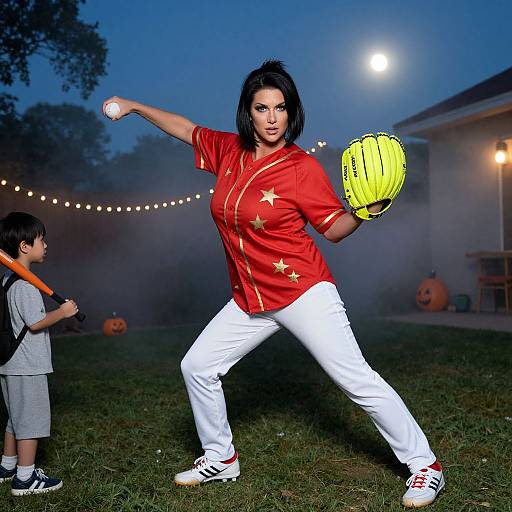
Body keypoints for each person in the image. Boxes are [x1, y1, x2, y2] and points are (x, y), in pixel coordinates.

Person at [103, 60, 444, 508]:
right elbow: (184, 128)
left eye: (280, 108)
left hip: (303, 291)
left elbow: (334, 229)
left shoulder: (302, 168)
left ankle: (425, 467)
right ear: (248, 111)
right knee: (198, 367)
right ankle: (221, 457)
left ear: (291, 112)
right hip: (250, 299)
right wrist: (132, 107)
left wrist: (365, 210)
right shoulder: (229, 150)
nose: (271, 117)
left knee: (357, 380)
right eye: (261, 107)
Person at [0, 212, 79, 496]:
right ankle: (25, 478)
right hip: (27, 365)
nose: (45, 245)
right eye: (41, 240)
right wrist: (62, 312)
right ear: (24, 246)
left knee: (16, 418)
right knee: (30, 420)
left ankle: (8, 466)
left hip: (11, 364)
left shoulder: (8, 279)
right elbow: (35, 323)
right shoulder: (25, 284)